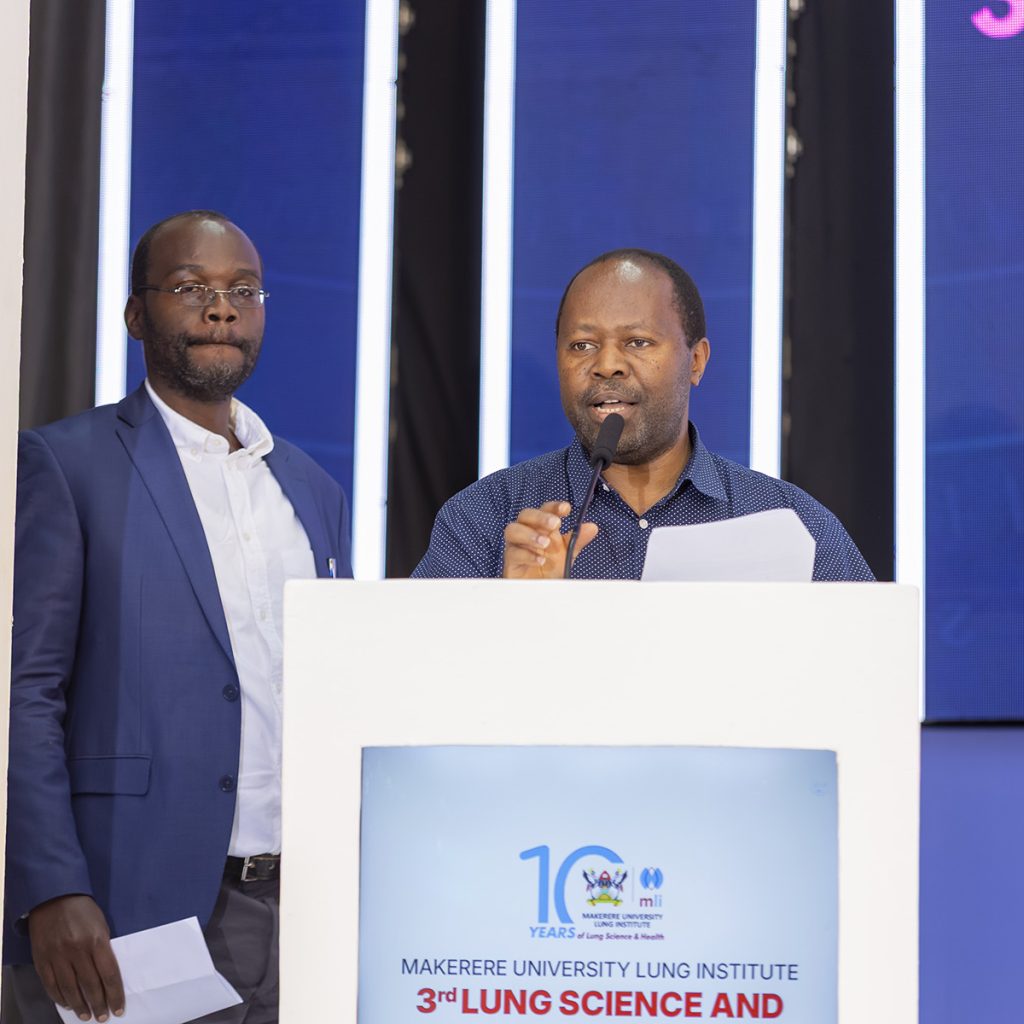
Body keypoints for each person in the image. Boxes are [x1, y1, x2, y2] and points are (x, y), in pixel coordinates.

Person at [2, 211, 352, 1023]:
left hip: (300, 911)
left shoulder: (314, 491)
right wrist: (50, 886)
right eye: (191, 288)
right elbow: (24, 693)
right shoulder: (67, 464)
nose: (221, 308)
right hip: (129, 907)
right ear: (136, 314)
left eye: (243, 291)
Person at [413, 248, 872, 582]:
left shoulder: (790, 524)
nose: (606, 364)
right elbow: (416, 675)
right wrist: (507, 611)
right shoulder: (485, 520)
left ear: (696, 361)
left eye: (637, 342)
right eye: (582, 345)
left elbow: (866, 670)